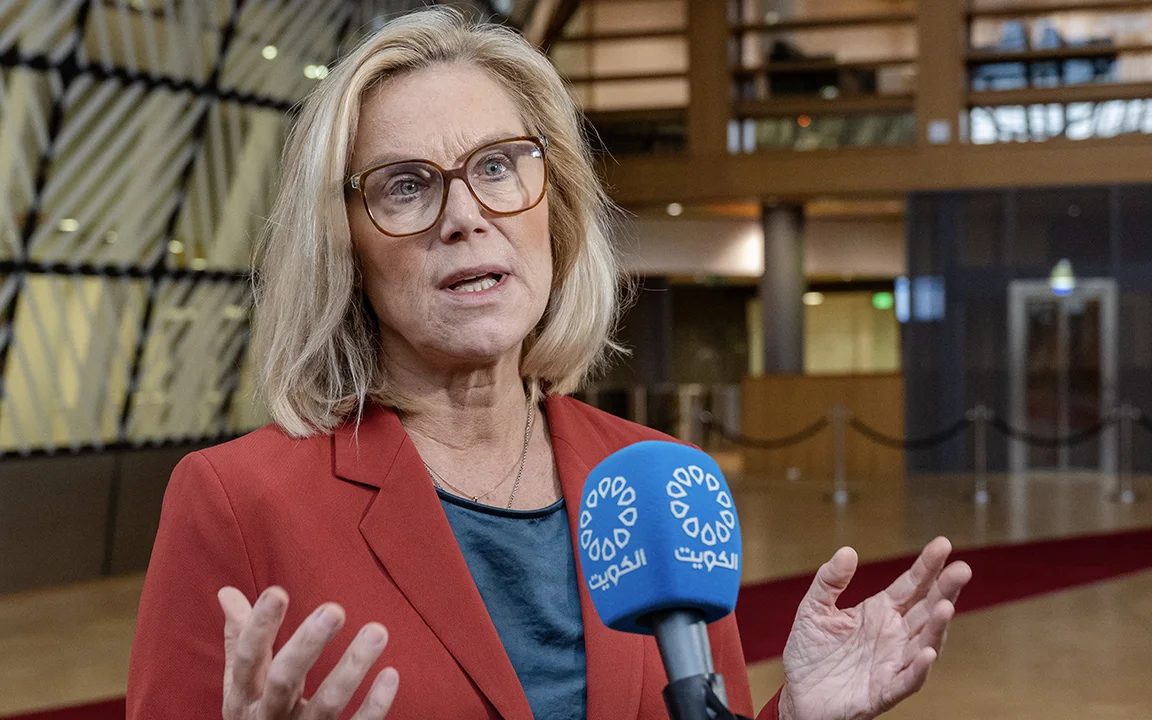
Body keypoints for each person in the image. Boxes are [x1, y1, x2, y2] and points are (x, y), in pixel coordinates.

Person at [126, 8, 972, 720]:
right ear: (342, 244)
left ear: (554, 210)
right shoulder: (236, 503)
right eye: (407, 185)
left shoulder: (659, 482)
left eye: (497, 166)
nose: (465, 215)